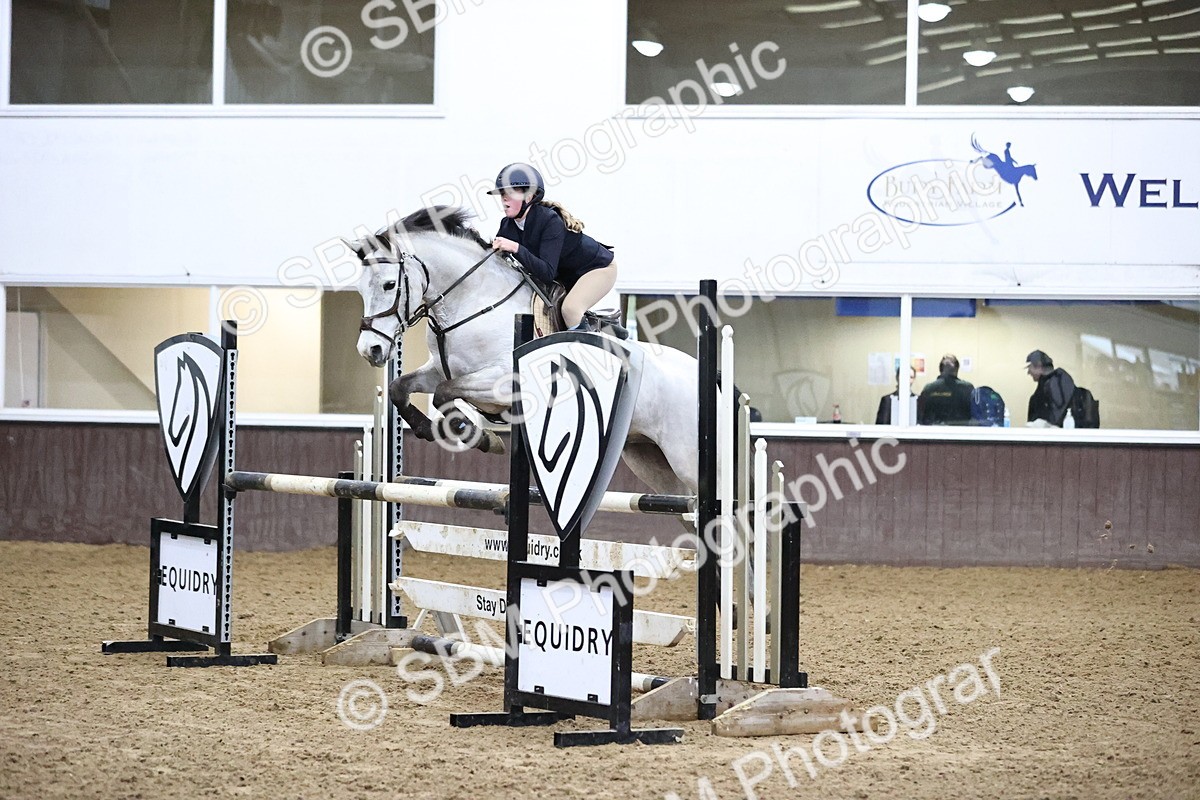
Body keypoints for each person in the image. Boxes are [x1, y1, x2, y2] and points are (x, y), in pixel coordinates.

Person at [488, 162, 617, 331]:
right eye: (502, 193)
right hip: (567, 276)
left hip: (597, 269)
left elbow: (547, 273)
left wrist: (516, 248)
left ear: (529, 196)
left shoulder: (549, 221)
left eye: (511, 193)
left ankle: (581, 355)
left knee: (570, 309)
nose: (504, 198)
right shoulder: (507, 225)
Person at [918, 355, 974, 424]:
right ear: (957, 369)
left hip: (933, 432)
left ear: (940, 369)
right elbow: (975, 416)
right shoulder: (967, 388)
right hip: (960, 431)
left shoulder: (929, 389)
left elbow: (920, 415)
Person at [1025, 350, 1076, 427]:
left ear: (1039, 366)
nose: (1028, 372)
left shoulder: (1055, 383)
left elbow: (1055, 417)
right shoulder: (1055, 382)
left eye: (1030, 367)